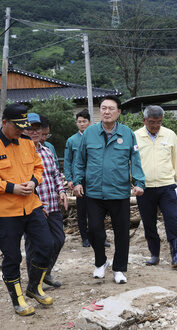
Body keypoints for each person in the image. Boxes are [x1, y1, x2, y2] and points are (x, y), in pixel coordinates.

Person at [0, 104, 53, 316]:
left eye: (23, 126)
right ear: (4, 123)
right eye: (17, 126)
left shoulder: (28, 142)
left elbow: (38, 168)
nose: (22, 130)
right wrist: (11, 188)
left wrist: (33, 182)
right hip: (5, 212)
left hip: (32, 205)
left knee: (47, 245)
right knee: (12, 257)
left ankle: (34, 287)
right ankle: (17, 298)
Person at [73, 95, 145, 284]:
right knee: (95, 230)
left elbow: (135, 161)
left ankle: (119, 269)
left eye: (111, 108)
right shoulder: (89, 133)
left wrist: (139, 183)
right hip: (94, 192)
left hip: (119, 191)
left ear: (119, 112)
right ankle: (101, 262)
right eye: (103, 108)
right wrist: (77, 181)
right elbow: (79, 160)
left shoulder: (128, 133)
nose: (106, 111)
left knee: (122, 232)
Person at [134, 105, 177, 269]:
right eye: (152, 122)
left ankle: (176, 255)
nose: (155, 126)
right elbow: (131, 162)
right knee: (149, 223)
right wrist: (134, 182)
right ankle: (154, 254)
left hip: (167, 186)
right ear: (144, 120)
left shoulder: (170, 135)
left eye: (158, 122)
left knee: (172, 220)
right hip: (145, 188)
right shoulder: (135, 136)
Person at [24, 113, 68, 288]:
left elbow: (55, 175)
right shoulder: (21, 153)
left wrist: (62, 191)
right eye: (30, 129)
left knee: (58, 239)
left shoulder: (47, 151)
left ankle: (46, 272)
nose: (35, 132)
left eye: (38, 129)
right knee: (34, 245)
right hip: (33, 207)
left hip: (53, 204)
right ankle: (35, 280)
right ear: (23, 130)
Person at [64, 109, 92, 247]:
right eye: (79, 122)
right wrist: (70, 179)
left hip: (95, 180)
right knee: (82, 211)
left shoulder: (95, 137)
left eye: (84, 121)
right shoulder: (71, 140)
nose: (82, 124)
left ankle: (99, 237)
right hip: (79, 180)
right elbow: (68, 161)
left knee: (98, 210)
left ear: (89, 122)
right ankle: (84, 237)